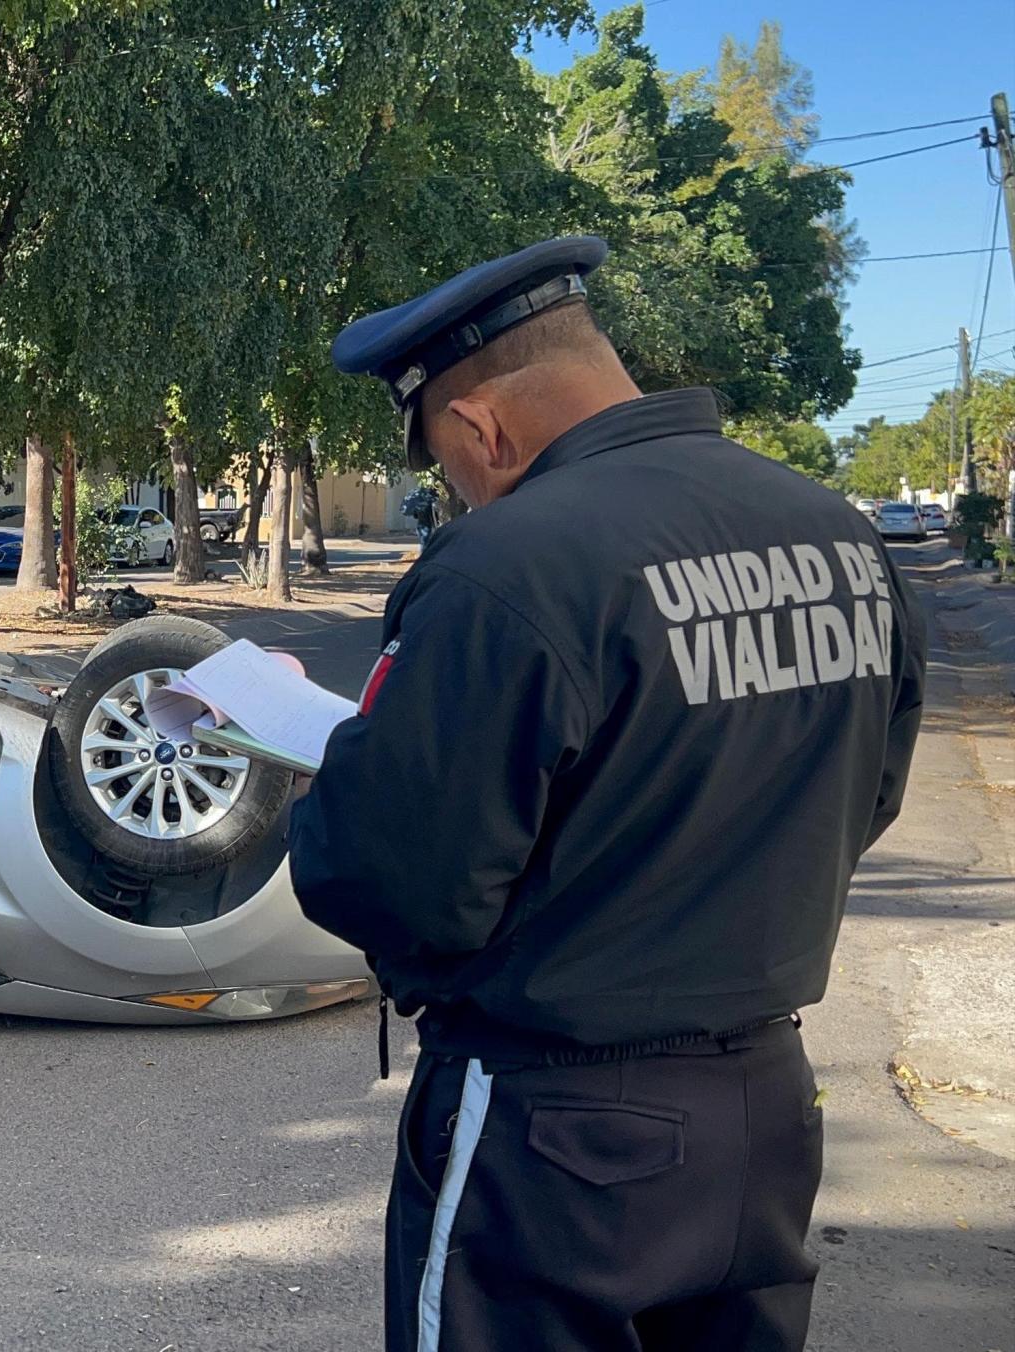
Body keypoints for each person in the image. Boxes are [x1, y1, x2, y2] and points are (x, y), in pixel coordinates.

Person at [287, 236, 926, 1352]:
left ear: (481, 428)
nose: (459, 490)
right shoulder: (839, 536)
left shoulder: (505, 567)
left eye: (448, 464)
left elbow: (392, 883)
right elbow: (861, 798)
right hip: (766, 1113)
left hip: (555, 1137)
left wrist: (342, 779)